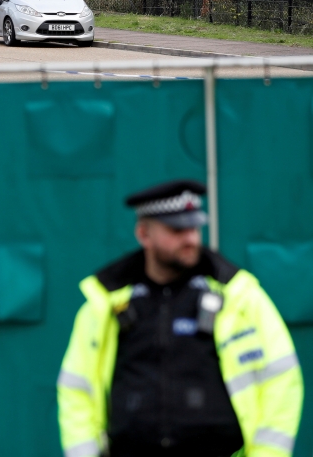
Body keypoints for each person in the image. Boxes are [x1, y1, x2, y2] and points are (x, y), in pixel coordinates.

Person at [58, 180, 302, 457]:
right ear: (143, 234)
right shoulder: (105, 304)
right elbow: (76, 391)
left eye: (195, 227)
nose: (191, 239)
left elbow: (281, 381)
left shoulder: (240, 298)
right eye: (177, 230)